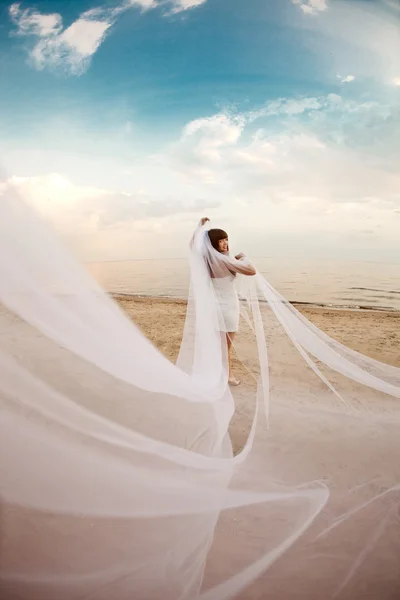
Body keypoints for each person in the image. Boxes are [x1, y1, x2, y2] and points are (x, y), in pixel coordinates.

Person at [197, 217, 256, 386]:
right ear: (213, 244)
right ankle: (227, 376)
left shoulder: (206, 260)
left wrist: (198, 227)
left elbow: (192, 247)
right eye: (220, 241)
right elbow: (251, 271)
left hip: (214, 307)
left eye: (226, 240)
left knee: (220, 345)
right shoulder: (226, 260)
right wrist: (244, 257)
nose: (225, 244)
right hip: (228, 307)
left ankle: (218, 373)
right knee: (226, 347)